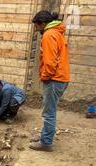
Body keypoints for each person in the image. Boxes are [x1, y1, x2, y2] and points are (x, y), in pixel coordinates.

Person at [29, 11, 70, 151]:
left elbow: (50, 61)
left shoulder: (48, 35)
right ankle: (44, 135)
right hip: (61, 78)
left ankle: (46, 143)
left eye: (36, 26)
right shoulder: (57, 33)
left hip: (54, 79)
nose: (36, 29)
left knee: (49, 112)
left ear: (43, 23)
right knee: (49, 110)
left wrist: (45, 77)